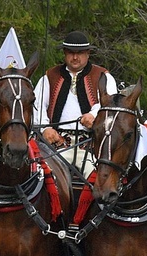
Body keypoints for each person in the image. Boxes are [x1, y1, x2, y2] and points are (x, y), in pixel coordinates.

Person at [34, 31, 109, 178]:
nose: (75, 57)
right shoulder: (50, 76)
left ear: (88, 53)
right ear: (64, 53)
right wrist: (45, 128)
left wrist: (94, 115)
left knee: (98, 179)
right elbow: (37, 105)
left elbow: (110, 103)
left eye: (80, 53)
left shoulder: (103, 76)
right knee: (43, 176)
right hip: (56, 144)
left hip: (90, 146)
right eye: (70, 53)